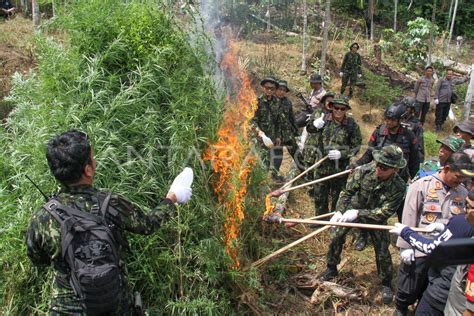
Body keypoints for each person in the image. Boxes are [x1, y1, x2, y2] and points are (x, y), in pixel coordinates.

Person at [26, 130, 194, 315]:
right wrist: (172, 197)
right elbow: (148, 225)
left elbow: (38, 259)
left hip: (66, 310)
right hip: (114, 306)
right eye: (93, 157)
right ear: (88, 170)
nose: (95, 160)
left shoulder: (43, 216)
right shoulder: (109, 203)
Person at [318, 145, 406, 304]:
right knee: (335, 236)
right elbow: (347, 192)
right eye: (378, 164)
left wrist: (360, 214)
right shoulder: (364, 171)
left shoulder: (399, 187)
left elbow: (385, 212)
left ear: (395, 169)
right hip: (353, 209)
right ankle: (331, 268)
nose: (379, 169)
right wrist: (340, 211)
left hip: (374, 217)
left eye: (384, 168)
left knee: (382, 249)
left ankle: (386, 283)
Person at [393, 152, 470, 316]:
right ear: (447, 168)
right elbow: (408, 217)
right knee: (409, 284)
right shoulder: (422, 186)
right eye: (457, 176)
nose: (460, 181)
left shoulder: (463, 193)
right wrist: (404, 247)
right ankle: (401, 309)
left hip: (443, 254)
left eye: (463, 178)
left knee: (430, 287)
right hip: (419, 247)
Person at [353, 103, 420, 251]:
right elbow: (368, 154)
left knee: (402, 210)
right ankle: (363, 235)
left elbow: (415, 159)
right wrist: (356, 165)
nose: (389, 122)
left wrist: (413, 179)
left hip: (399, 181)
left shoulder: (409, 136)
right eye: (387, 119)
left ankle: (404, 239)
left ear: (400, 120)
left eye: (393, 120)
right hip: (378, 178)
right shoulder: (379, 132)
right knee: (368, 207)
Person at [303, 98, 362, 215]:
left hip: (339, 169)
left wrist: (342, 154)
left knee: (337, 198)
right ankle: (320, 220)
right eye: (336, 108)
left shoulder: (351, 125)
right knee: (319, 196)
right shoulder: (324, 119)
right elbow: (310, 129)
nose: (339, 111)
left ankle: (334, 222)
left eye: (342, 108)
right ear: (332, 107)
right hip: (321, 165)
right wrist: (315, 124)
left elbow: (356, 147)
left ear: (346, 110)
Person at [252, 76, 283, 178]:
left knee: (277, 158)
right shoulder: (257, 102)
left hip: (274, 136)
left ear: (275, 90)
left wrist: (278, 136)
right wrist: (259, 132)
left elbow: (279, 121)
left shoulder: (277, 103)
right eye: (267, 88)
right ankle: (263, 179)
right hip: (262, 137)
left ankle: (274, 177)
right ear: (263, 88)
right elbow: (252, 120)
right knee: (264, 160)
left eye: (272, 88)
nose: (269, 90)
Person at [275, 80, 300, 170]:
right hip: (276, 135)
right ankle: (274, 176)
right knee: (277, 156)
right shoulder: (272, 101)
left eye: (284, 90)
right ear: (276, 90)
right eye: (280, 89)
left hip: (288, 133)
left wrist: (296, 132)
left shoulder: (287, 102)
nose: (281, 92)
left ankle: (305, 173)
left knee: (297, 153)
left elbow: (291, 118)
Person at [401, 96, 425, 162]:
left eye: (407, 107)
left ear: (412, 109)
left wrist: (420, 159)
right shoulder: (397, 120)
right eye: (403, 106)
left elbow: (419, 142)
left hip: (408, 154)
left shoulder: (416, 124)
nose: (405, 109)